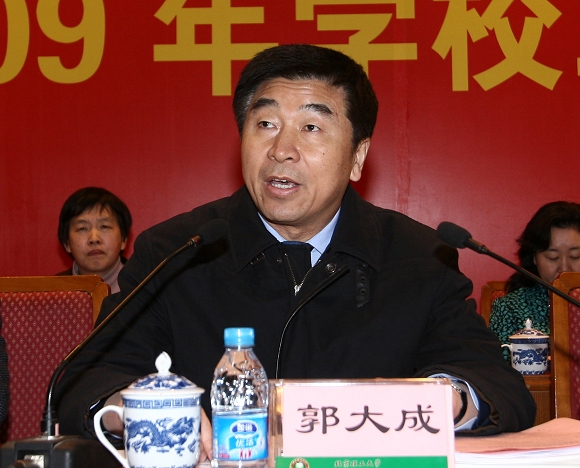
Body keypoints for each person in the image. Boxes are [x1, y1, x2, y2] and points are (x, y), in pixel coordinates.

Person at [55, 44, 535, 457]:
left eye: (311, 127)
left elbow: (496, 386)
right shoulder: (179, 250)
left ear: (358, 157)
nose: (281, 149)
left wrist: (441, 399)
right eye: (265, 123)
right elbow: (87, 380)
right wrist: (134, 412)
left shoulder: (419, 257)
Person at [490, 201, 580, 361]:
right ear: (534, 258)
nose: (565, 268)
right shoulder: (510, 308)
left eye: (576, 256)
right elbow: (497, 369)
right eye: (552, 257)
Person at [57, 187, 133, 294]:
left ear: (124, 239)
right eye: (82, 228)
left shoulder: (146, 288)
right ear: (67, 243)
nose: (94, 239)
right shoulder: (50, 293)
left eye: (104, 226)